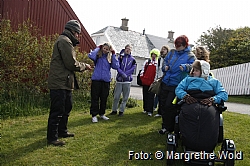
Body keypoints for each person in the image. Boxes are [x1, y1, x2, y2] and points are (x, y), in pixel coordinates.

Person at [47, 20, 92, 146]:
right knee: (57, 110)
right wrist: (85, 66)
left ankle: (62, 131)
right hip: (59, 82)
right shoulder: (64, 41)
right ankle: (52, 138)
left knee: (67, 107)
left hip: (65, 82)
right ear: (73, 31)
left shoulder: (66, 41)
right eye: (78, 33)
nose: (78, 36)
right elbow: (71, 63)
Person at [175, 60, 228, 152]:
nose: (193, 72)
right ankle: (189, 143)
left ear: (204, 71)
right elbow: (178, 89)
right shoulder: (187, 79)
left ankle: (208, 144)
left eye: (196, 70)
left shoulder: (214, 81)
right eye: (193, 70)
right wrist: (185, 96)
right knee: (188, 114)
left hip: (208, 103)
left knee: (209, 116)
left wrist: (213, 99)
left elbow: (223, 94)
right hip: (191, 101)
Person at [158, 35, 196, 134]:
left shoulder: (190, 55)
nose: (177, 47)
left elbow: (194, 67)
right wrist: (164, 67)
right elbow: (165, 62)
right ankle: (165, 126)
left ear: (184, 45)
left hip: (177, 84)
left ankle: (170, 128)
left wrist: (186, 67)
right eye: (176, 45)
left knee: (170, 106)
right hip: (166, 82)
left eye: (179, 45)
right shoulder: (172, 52)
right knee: (162, 105)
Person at [88, 42, 119, 123]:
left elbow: (116, 66)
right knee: (95, 98)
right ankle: (94, 115)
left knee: (104, 98)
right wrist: (98, 48)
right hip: (96, 80)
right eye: (104, 48)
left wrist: (113, 53)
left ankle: (102, 114)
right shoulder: (98, 56)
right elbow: (90, 55)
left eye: (107, 49)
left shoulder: (110, 58)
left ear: (109, 50)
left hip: (106, 81)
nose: (105, 50)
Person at [110, 44, 136, 116]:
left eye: (129, 49)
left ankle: (121, 111)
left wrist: (126, 74)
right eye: (126, 48)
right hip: (119, 80)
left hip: (127, 81)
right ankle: (114, 110)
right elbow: (117, 66)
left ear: (131, 50)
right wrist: (121, 73)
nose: (127, 50)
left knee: (125, 97)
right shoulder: (120, 57)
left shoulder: (133, 59)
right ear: (124, 49)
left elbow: (133, 68)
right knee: (116, 97)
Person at [140, 48, 160, 116]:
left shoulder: (157, 64)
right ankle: (145, 109)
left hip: (152, 83)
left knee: (151, 96)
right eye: (152, 54)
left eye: (155, 55)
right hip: (145, 81)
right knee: (145, 95)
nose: (153, 56)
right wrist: (142, 78)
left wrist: (155, 82)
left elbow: (157, 73)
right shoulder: (147, 61)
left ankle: (150, 111)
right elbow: (142, 70)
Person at [153, 45, 170, 117]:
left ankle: (162, 111)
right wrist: (156, 78)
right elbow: (157, 69)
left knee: (163, 96)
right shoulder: (160, 59)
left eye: (165, 49)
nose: (163, 50)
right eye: (162, 49)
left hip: (166, 79)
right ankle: (157, 109)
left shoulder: (169, 59)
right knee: (158, 94)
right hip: (160, 78)